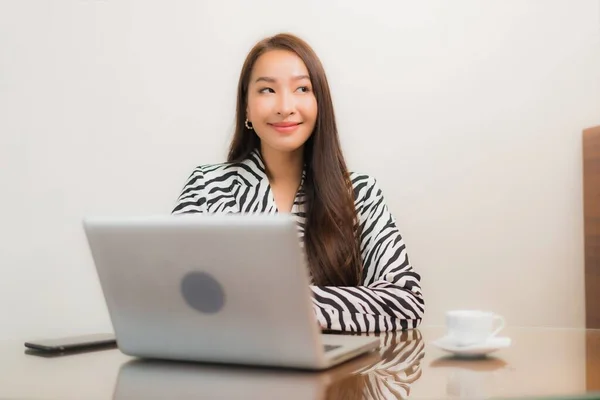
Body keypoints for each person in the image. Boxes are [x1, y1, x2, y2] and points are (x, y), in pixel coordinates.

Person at [172, 33, 424, 333]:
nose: (285, 106)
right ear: (247, 107)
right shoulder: (207, 186)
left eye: (302, 88)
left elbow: (405, 301)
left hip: (338, 377)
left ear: (320, 104)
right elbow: (175, 293)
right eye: (267, 90)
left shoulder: (360, 194)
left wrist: (289, 303)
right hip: (233, 370)